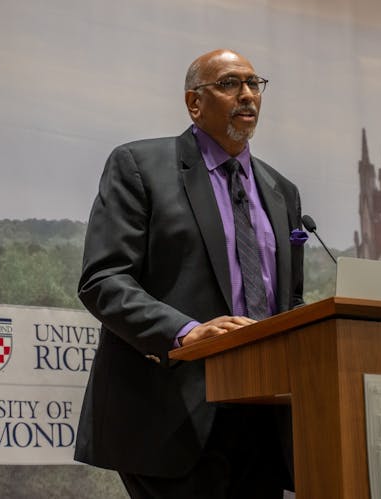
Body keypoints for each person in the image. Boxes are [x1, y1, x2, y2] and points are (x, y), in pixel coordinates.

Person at [74, 49, 305, 499]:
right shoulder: (140, 166)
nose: (246, 95)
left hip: (262, 417)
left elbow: (288, 302)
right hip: (171, 413)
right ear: (193, 103)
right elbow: (103, 280)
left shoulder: (281, 191)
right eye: (229, 83)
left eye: (254, 84)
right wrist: (186, 332)